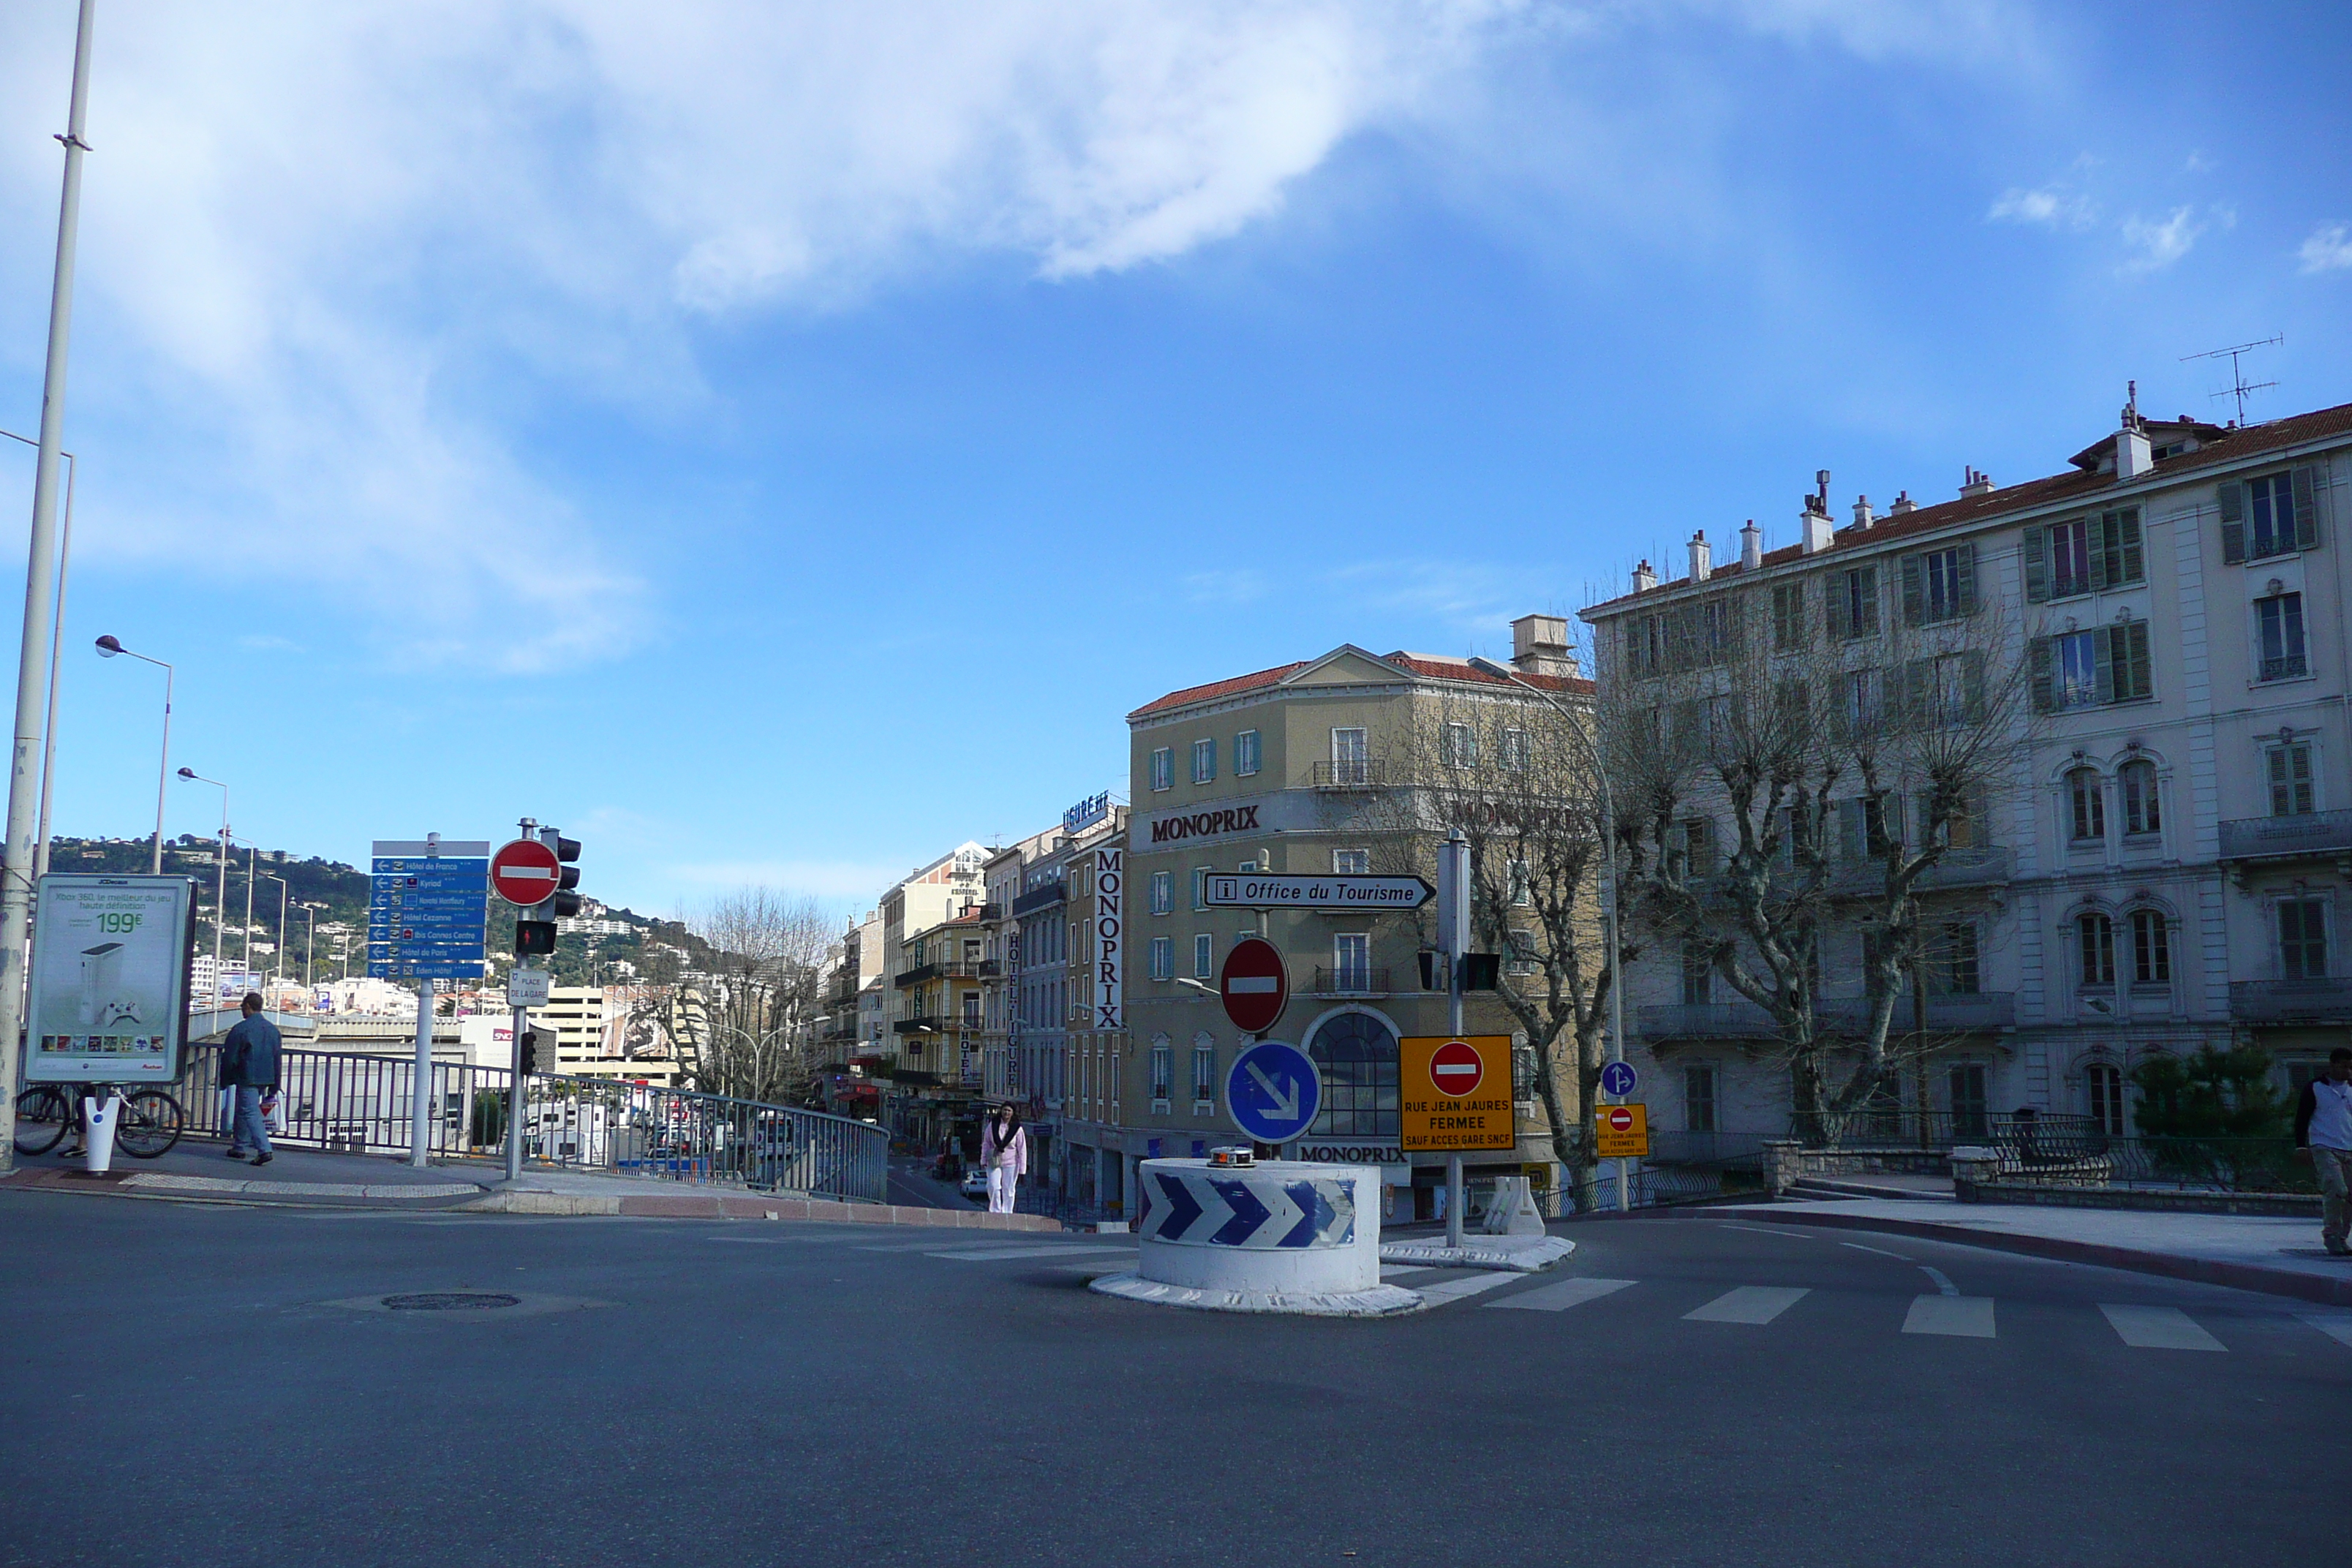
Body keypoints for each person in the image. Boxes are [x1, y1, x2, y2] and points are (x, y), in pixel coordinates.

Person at [2293, 1047, 2352, 1256]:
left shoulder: (2351, 1089)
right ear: (2333, 1065)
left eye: (2351, 1067)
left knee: (2350, 1195)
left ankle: (2342, 1237)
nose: (2348, 1071)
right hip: (2324, 1146)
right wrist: (2301, 1145)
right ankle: (2331, 1235)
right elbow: (2302, 1118)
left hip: (2349, 1147)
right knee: (2336, 1188)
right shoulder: (2315, 1087)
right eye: (2344, 1066)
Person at [219, 992, 282, 1166]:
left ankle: (264, 1150)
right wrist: (275, 1084)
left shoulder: (241, 1029)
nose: (241, 1010)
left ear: (248, 1006)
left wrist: (225, 1079)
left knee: (249, 1112)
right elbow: (277, 1058)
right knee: (244, 1109)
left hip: (247, 1076)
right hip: (266, 1077)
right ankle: (239, 1147)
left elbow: (230, 1057)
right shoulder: (272, 1030)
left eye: (242, 1007)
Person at [979, 1104, 1025, 1215]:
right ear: (1001, 1111)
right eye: (1005, 1110)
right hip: (994, 1159)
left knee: (1008, 1189)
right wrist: (983, 1159)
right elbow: (986, 1142)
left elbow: (1022, 1149)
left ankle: (1007, 1212)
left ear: (1013, 1113)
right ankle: (995, 1211)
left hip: (1011, 1163)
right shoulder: (993, 1125)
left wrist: (1022, 1170)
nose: (1006, 1113)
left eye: (1009, 1111)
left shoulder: (1017, 1128)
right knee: (993, 1186)